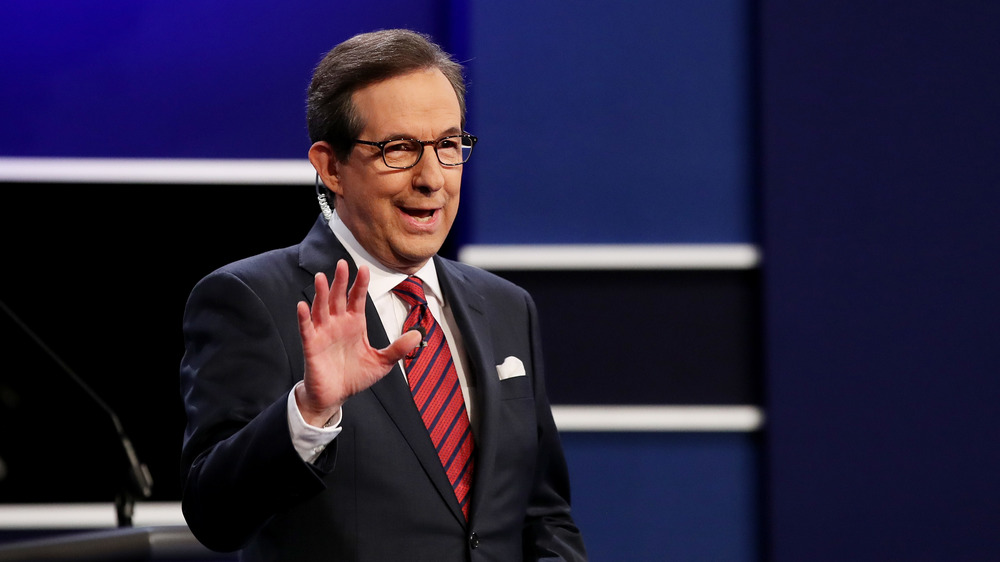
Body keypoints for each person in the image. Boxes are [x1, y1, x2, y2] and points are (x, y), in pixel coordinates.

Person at [179, 29, 587, 561]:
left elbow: (543, 514)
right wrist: (310, 411)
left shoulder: (507, 306)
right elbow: (215, 517)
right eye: (399, 149)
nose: (432, 178)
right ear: (330, 167)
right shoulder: (251, 299)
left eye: (447, 145)